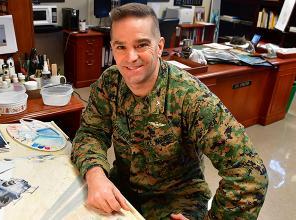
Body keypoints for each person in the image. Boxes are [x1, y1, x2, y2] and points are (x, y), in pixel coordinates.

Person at [71, 3, 268, 220]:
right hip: (123, 191)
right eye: (120, 47)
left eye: (142, 45)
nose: (130, 57)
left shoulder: (190, 96)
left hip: (177, 201)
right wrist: (95, 174)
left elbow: (250, 176)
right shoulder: (110, 82)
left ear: (159, 46)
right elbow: (91, 133)